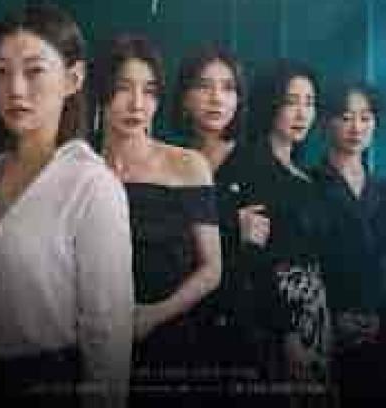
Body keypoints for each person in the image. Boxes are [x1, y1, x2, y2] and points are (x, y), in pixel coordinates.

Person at [0, 5, 133, 407]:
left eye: (34, 71)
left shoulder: (92, 187)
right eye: (1, 72)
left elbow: (108, 332)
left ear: (73, 79)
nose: (15, 89)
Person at [92, 34, 221, 401]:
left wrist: (153, 316)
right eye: (123, 88)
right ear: (100, 92)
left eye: (149, 91)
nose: (137, 104)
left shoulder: (187, 164)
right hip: (92, 341)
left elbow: (212, 269)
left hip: (171, 339)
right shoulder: (80, 167)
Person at [172, 44, 273, 386]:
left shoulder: (257, 162)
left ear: (239, 100)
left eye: (228, 88)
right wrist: (231, 223)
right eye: (204, 86)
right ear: (185, 98)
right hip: (175, 321)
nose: (217, 98)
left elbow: (257, 251)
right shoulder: (169, 160)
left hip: (239, 327)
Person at [244, 60, 330, 391]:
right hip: (278, 312)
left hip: (314, 308)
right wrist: (287, 332)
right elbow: (256, 260)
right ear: (271, 104)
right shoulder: (253, 165)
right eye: (291, 101)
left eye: (309, 102)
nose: (302, 113)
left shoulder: (305, 176)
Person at [314, 82, 386, 401]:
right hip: (326, 329)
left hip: (379, 327)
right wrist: (332, 318)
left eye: (365, 118)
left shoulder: (382, 190)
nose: (356, 128)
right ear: (326, 122)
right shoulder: (308, 184)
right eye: (345, 117)